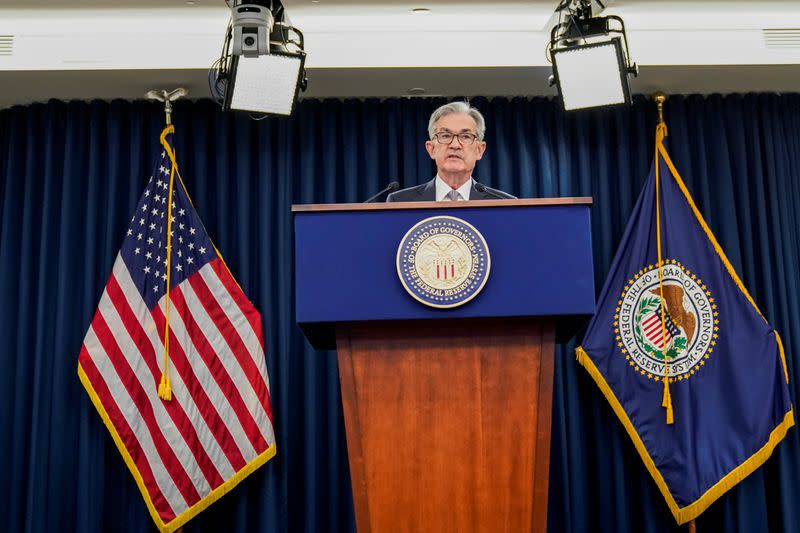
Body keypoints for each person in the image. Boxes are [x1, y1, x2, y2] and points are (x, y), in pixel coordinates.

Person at [387, 101, 516, 202]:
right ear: (431, 149)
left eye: (465, 136)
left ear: (479, 150)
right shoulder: (400, 202)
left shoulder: (504, 204)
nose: (455, 145)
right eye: (445, 136)